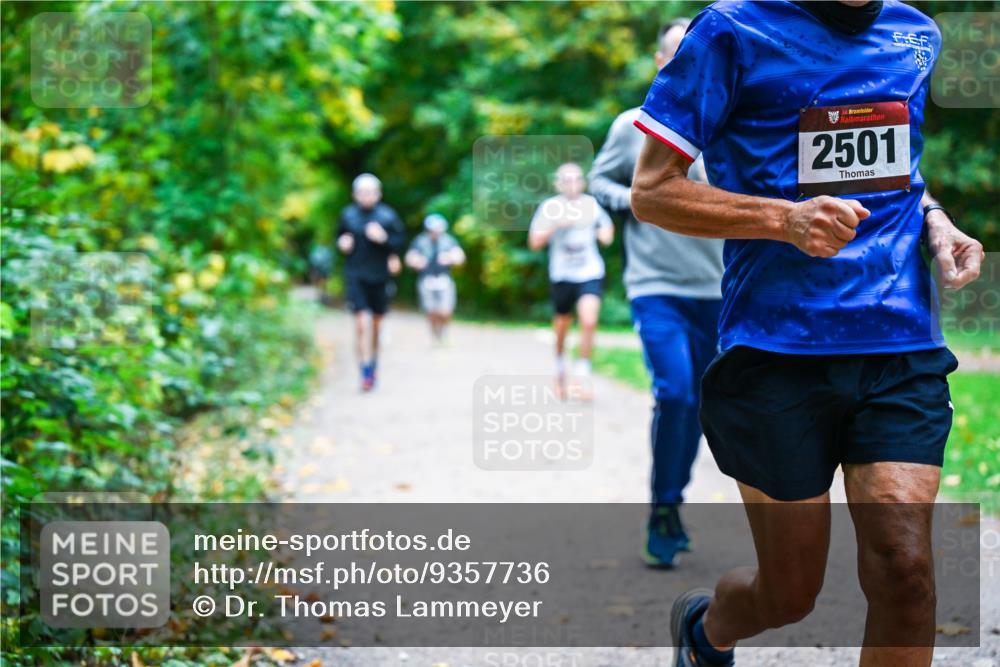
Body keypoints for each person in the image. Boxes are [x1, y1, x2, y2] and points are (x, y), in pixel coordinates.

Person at [630, 1, 984, 665]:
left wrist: (935, 219)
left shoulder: (915, 34)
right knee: (789, 592)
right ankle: (706, 630)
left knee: (905, 572)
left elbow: (898, 176)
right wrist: (784, 220)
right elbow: (651, 191)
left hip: (898, 343)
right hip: (776, 351)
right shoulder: (732, 30)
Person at [589, 17, 724, 568]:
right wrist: (637, 201)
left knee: (703, 405)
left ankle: (673, 501)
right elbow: (601, 181)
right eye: (678, 53)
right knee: (675, 393)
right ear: (661, 63)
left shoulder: (732, 124)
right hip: (657, 285)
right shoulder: (634, 125)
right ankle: (662, 507)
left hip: (720, 289)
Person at [529, 163, 614, 400]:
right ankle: (559, 374)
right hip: (562, 276)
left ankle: (583, 378)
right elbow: (534, 243)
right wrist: (557, 224)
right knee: (562, 328)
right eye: (566, 180)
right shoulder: (550, 207)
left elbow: (606, 227)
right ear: (558, 183)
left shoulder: (590, 205)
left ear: (582, 182)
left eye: (576, 179)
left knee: (589, 321)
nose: (572, 184)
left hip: (589, 272)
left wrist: (604, 235)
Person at [336, 173, 406, 392]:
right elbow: (339, 237)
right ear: (355, 194)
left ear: (378, 194)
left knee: (376, 325)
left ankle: (373, 363)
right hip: (355, 274)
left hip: (379, 276)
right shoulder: (348, 215)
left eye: (370, 192)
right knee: (360, 324)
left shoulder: (387, 216)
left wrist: (384, 239)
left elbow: (399, 242)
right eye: (362, 192)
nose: (366, 196)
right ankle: (364, 369)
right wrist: (342, 243)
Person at [405, 213, 466, 344]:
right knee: (431, 311)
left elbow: (460, 256)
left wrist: (450, 258)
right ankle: (434, 334)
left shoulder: (449, 241)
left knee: (445, 310)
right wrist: (416, 261)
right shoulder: (420, 241)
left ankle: (444, 332)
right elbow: (410, 257)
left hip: (444, 279)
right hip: (426, 280)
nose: (436, 232)